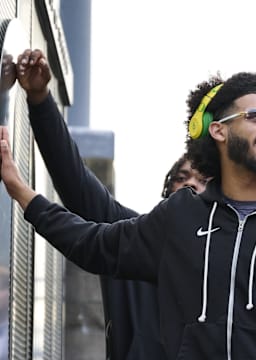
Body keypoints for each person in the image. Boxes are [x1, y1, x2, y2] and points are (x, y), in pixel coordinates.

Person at [1, 71, 256, 360]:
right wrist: (23, 193)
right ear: (218, 130)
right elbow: (90, 235)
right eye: (255, 116)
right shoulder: (176, 222)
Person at [12, 49, 208, 360]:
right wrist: (40, 100)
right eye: (182, 178)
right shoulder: (132, 238)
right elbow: (75, 181)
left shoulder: (238, 256)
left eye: (203, 180)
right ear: (169, 191)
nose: (191, 184)